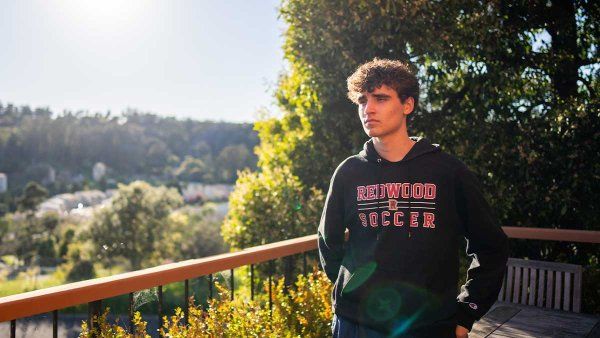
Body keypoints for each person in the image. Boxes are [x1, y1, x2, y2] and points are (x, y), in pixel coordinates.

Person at [318, 58, 509, 338]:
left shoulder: (448, 172)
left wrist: (467, 313)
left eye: (380, 98)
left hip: (428, 327)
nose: (368, 109)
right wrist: (354, 291)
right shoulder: (349, 172)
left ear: (407, 105)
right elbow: (328, 242)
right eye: (362, 100)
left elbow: (491, 246)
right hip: (356, 325)